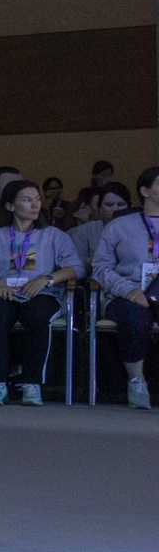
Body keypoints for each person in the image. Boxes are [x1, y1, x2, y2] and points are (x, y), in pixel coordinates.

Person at [0, 179, 79, 406]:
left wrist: (47, 279)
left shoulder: (54, 235)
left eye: (37, 200)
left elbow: (77, 267)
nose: (35, 205)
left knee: (36, 316)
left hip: (42, 293)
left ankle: (31, 383)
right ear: (10, 206)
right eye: (27, 200)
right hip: (2, 292)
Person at [88, 166, 157, 409]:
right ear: (145, 191)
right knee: (134, 317)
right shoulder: (119, 226)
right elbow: (101, 267)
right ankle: (136, 380)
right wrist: (128, 290)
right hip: (127, 294)